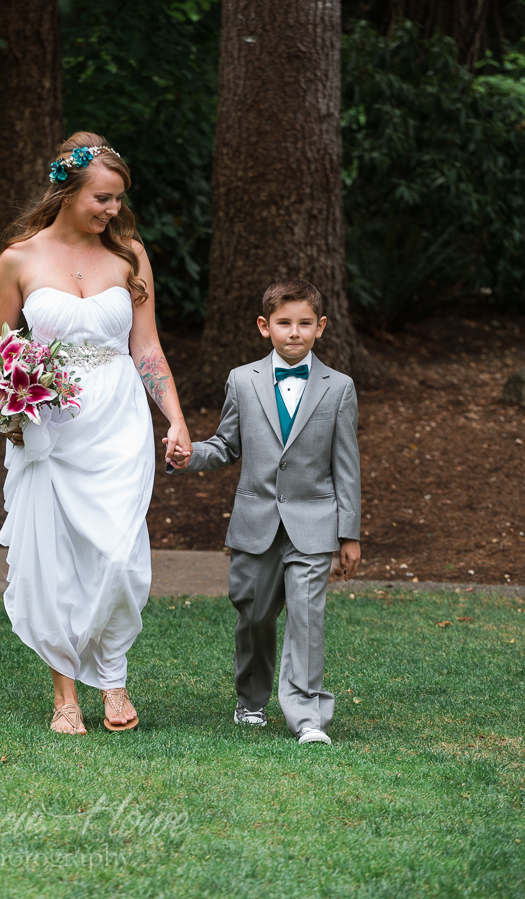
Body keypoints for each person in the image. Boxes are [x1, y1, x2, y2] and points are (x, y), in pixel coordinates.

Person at [0, 132, 191, 735]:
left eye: (119, 200)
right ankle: (68, 694)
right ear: (67, 191)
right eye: (102, 198)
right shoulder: (19, 260)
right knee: (56, 558)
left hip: (119, 418)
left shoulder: (130, 257)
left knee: (121, 557)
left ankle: (114, 674)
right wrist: (11, 412)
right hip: (49, 425)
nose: (112, 211)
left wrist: (174, 416)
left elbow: (146, 346)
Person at [171, 278, 361, 745]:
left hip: (314, 526)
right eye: (283, 323)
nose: (294, 332)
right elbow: (225, 444)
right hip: (256, 524)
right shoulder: (242, 380)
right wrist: (189, 454)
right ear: (264, 326)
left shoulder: (339, 388)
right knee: (254, 617)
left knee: (307, 618)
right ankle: (250, 701)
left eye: (304, 323)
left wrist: (349, 533)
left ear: (321, 327)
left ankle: (308, 717)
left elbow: (347, 465)